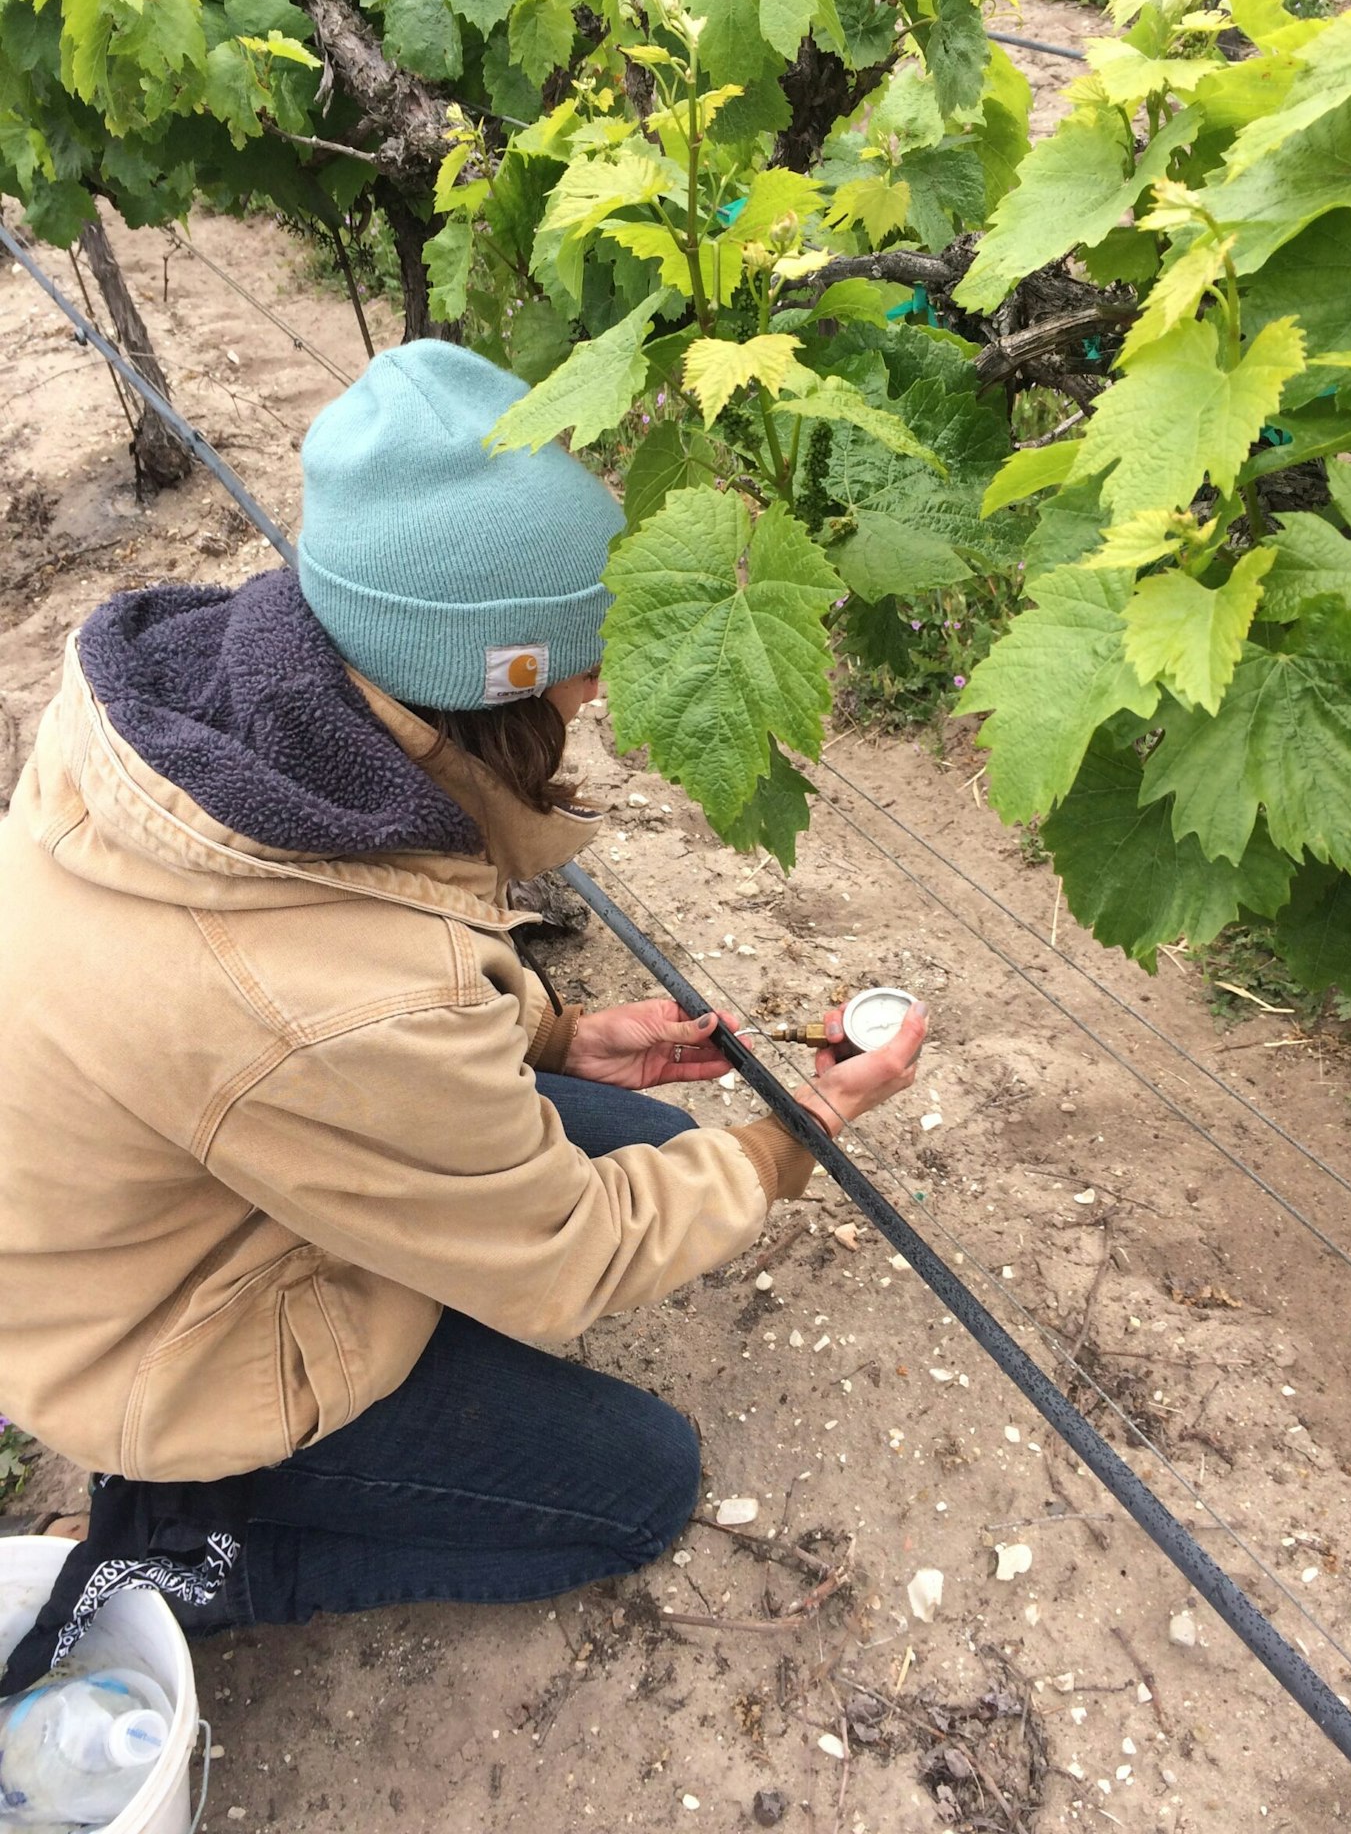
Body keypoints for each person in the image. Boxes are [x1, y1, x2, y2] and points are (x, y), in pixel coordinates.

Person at [0, 341, 927, 1637]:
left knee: (655, 1139)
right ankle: (194, 1554)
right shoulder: (353, 998)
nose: (601, 690)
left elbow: (306, 1020)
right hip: (158, 1343)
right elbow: (564, 1255)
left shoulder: (205, 706)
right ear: (496, 675)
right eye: (581, 661)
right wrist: (802, 1132)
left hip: (163, 1194)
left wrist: (553, 1036)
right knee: (640, 1487)